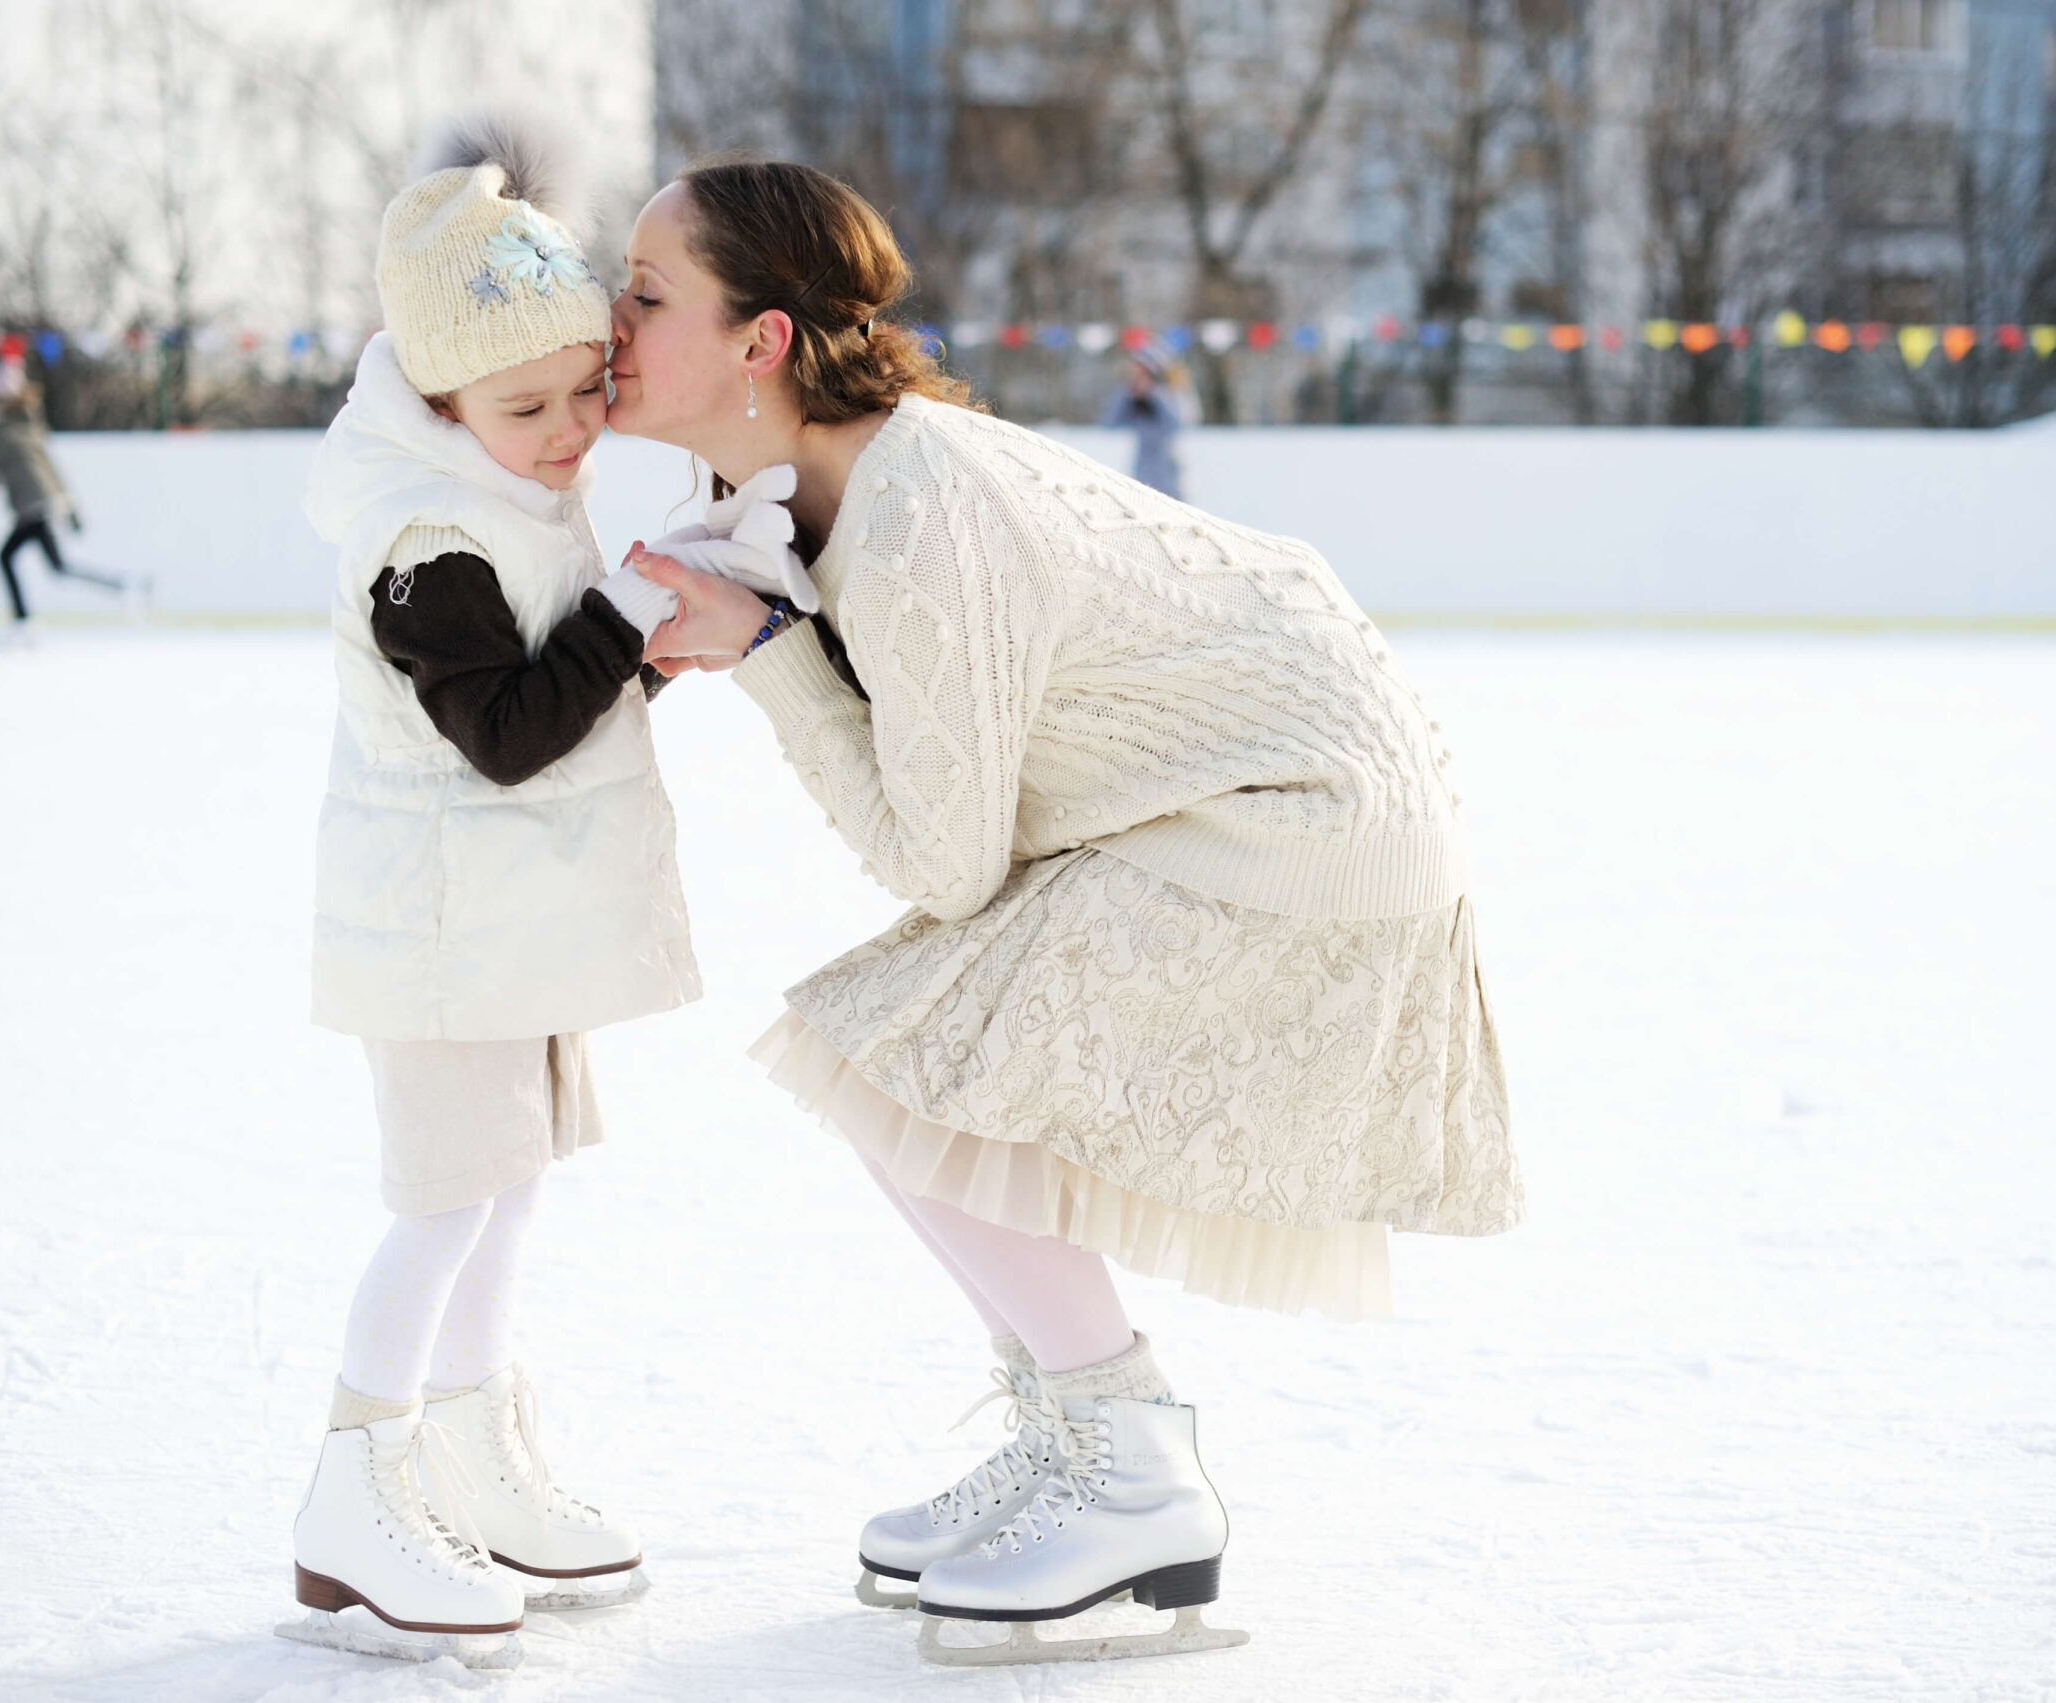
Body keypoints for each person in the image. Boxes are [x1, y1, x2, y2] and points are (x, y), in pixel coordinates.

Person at [613, 160, 1522, 1666]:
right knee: (903, 1054)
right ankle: (1075, 1430)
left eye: (645, 293)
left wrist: (767, 648)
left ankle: (1129, 1467)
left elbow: (944, 863)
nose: (612, 321)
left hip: (1306, 822)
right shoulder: (788, 480)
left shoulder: (921, 511)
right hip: (1213, 799)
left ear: (761, 339)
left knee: (902, 1053)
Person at [281, 117, 730, 1668]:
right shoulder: (422, 539)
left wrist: (648, 639)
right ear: (437, 394)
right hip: (445, 930)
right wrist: (623, 613)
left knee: (511, 1180)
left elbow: (567, 694)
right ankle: (360, 1473)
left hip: (509, 925)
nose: (567, 433)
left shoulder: (506, 491)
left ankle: (468, 1449)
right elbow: (509, 736)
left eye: (585, 395)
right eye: (524, 406)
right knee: (442, 1203)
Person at [0, 361, 120, 635]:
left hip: (31, 508)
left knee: (6, 558)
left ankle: (23, 621)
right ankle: (121, 588)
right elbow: (46, 471)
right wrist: (70, 510)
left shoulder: (1, 434)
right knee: (58, 568)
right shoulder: (29, 429)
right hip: (43, 506)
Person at [1097, 351, 1184, 496]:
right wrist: (1126, 395)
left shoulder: (1166, 395)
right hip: (1142, 466)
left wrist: (1153, 394)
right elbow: (1108, 424)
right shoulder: (1130, 400)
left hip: (1167, 466)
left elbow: (1175, 425)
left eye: (1141, 374)